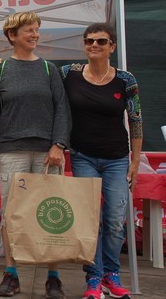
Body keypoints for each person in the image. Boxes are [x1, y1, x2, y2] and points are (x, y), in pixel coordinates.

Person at [0, 11, 70, 299]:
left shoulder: (49, 69)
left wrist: (58, 144)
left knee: (53, 216)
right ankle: (11, 275)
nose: (35, 34)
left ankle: (53, 277)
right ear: (12, 35)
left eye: (37, 30)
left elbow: (62, 109)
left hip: (48, 153)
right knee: (12, 215)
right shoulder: (0, 70)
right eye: (28, 30)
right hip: (11, 151)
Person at [60, 23, 142, 299]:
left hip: (118, 158)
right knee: (89, 219)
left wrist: (135, 161)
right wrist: (0, 63)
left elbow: (136, 120)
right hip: (83, 156)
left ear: (112, 47)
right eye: (89, 40)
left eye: (101, 41)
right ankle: (93, 278)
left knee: (115, 218)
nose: (94, 45)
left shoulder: (125, 79)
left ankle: (112, 275)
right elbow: (39, 74)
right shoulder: (68, 73)